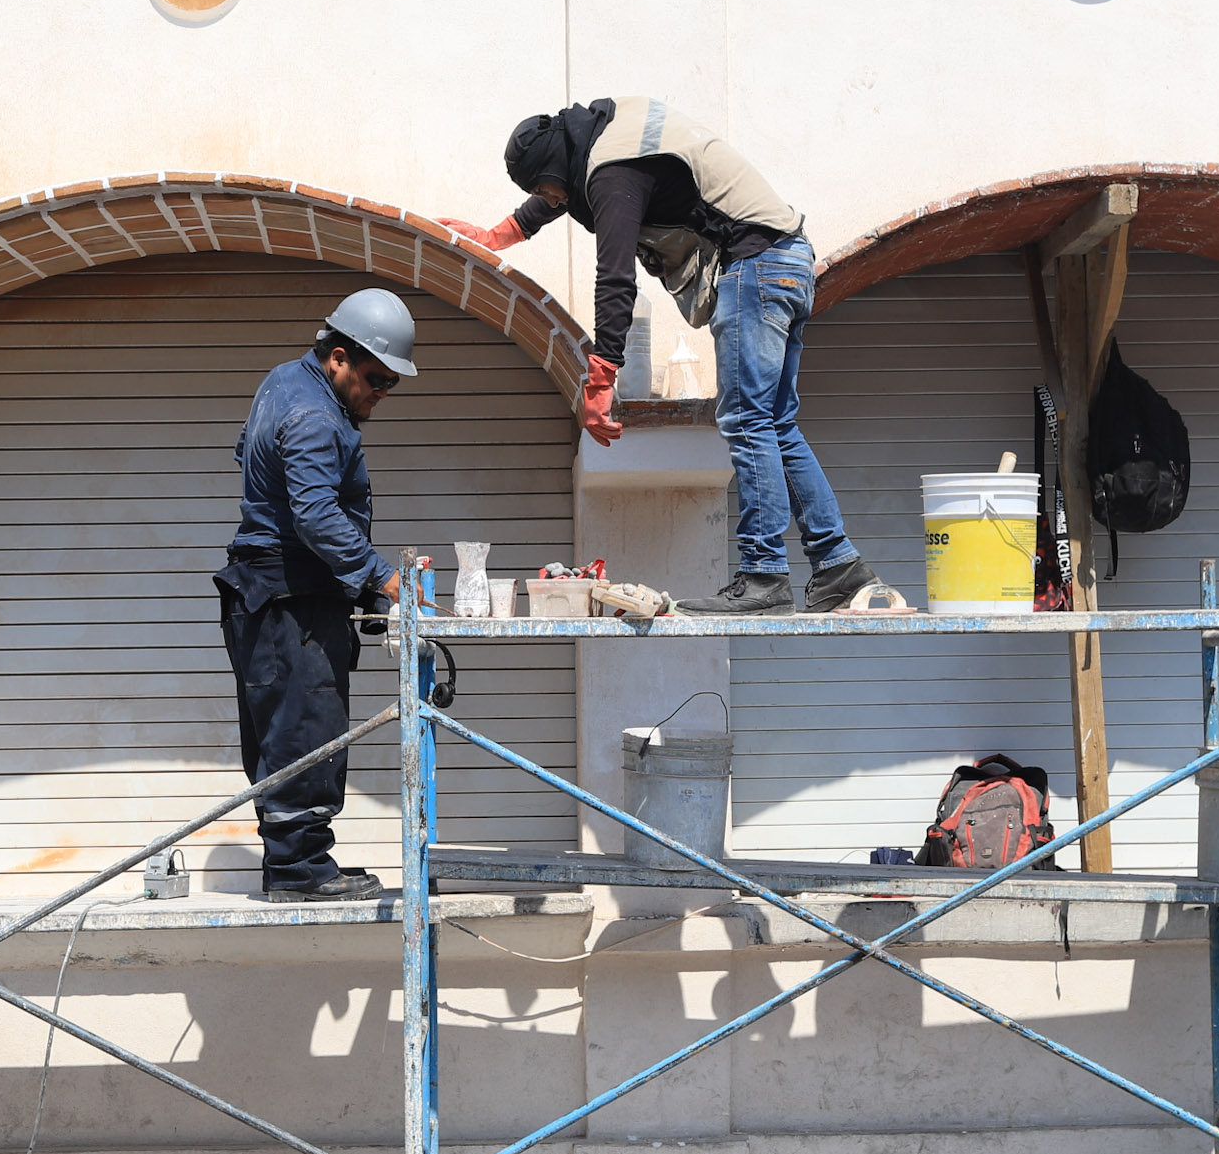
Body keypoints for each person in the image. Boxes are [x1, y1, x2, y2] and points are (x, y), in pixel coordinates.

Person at [438, 98, 871, 616]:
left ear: (556, 166)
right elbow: (559, 195)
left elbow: (615, 278)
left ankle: (764, 574)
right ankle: (838, 566)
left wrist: (599, 382)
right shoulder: (609, 139)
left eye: (541, 186)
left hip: (754, 269)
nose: (544, 198)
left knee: (746, 419)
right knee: (775, 423)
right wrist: (497, 235)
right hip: (789, 259)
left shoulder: (610, 174)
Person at [214, 290, 421, 903]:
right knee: (304, 731)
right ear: (338, 358)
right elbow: (314, 515)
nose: (381, 394)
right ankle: (299, 873)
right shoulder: (312, 415)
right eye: (376, 379)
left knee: (292, 729)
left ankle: (303, 862)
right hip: (289, 601)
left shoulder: (283, 383)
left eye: (392, 384)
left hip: (278, 595)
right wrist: (382, 577)